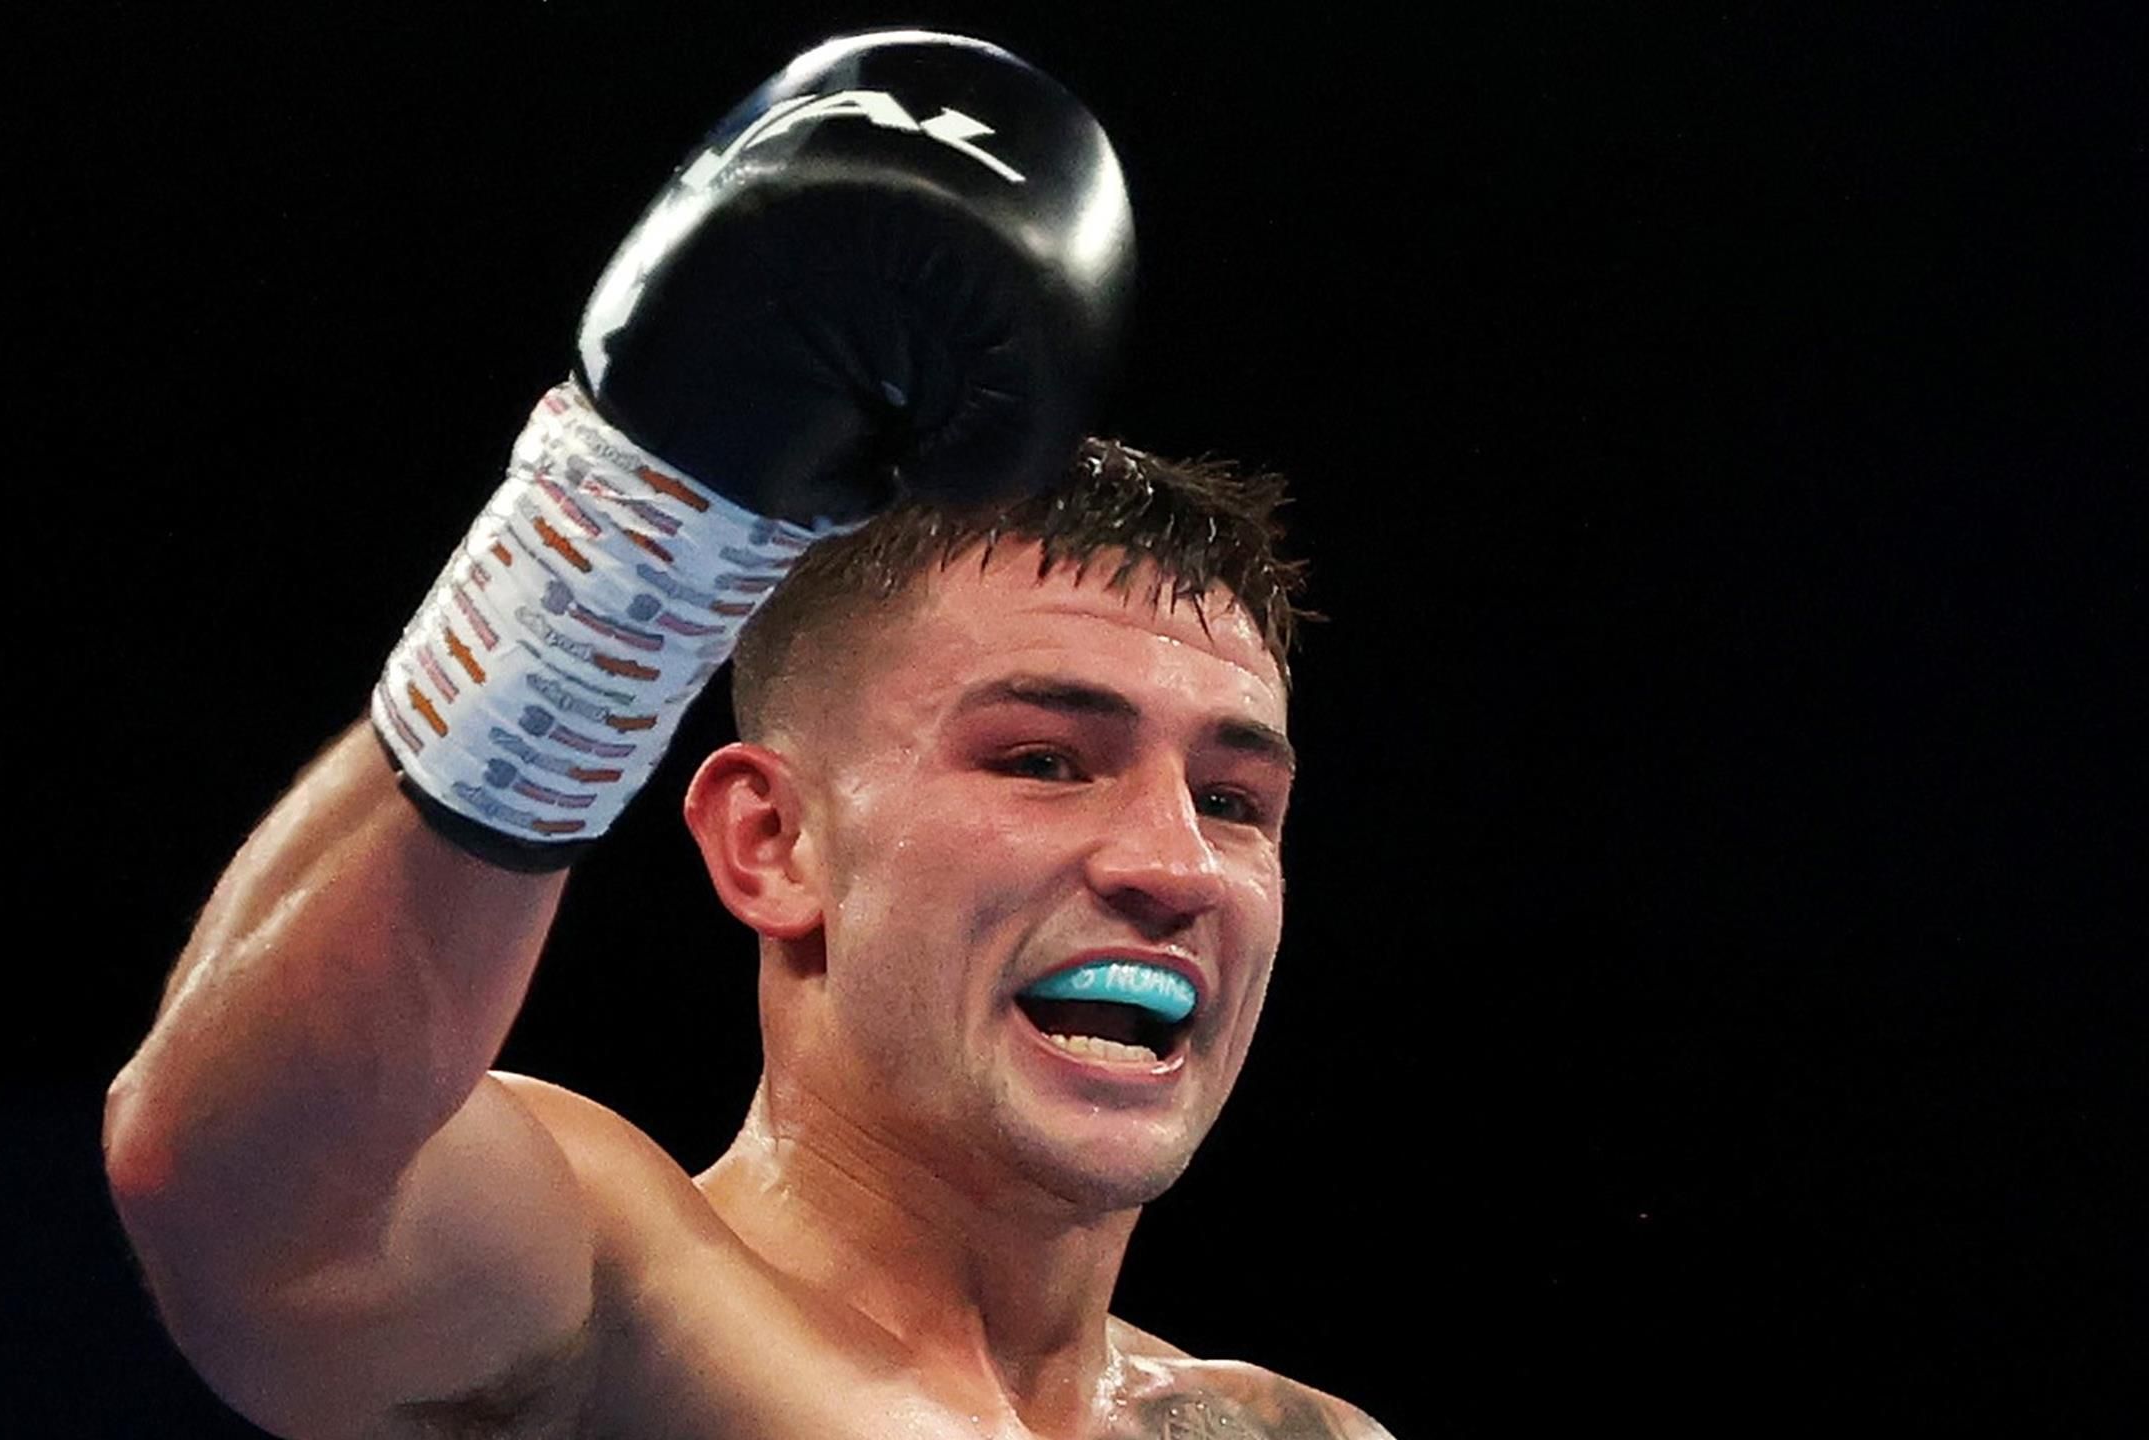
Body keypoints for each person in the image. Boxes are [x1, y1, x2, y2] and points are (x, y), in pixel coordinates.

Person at [104, 30, 1393, 1439]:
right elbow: (246, 1196)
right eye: (1041, 761)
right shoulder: (611, 1305)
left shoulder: (1295, 1431)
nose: (1174, 864)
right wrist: (630, 515)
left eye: (1234, 799)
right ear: (772, 841)